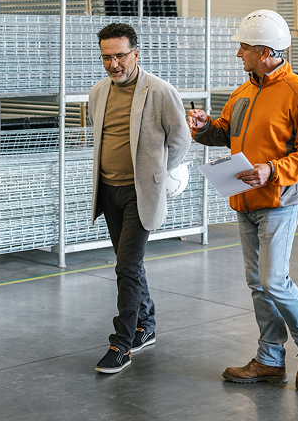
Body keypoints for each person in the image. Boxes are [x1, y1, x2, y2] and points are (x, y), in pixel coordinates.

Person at [186, 9, 298, 390]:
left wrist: (272, 171)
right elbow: (226, 132)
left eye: (244, 48)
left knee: (273, 280)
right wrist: (204, 128)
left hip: (279, 200)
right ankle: (269, 359)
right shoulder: (244, 91)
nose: (239, 54)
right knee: (256, 282)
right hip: (244, 200)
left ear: (266, 52)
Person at [89, 22, 192, 374]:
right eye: (106, 57)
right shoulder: (98, 92)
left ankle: (122, 344)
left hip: (140, 194)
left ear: (136, 52)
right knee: (128, 262)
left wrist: (159, 174)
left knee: (126, 266)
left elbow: (181, 139)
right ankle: (145, 325)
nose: (113, 64)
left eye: (120, 55)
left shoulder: (160, 91)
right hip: (108, 191)